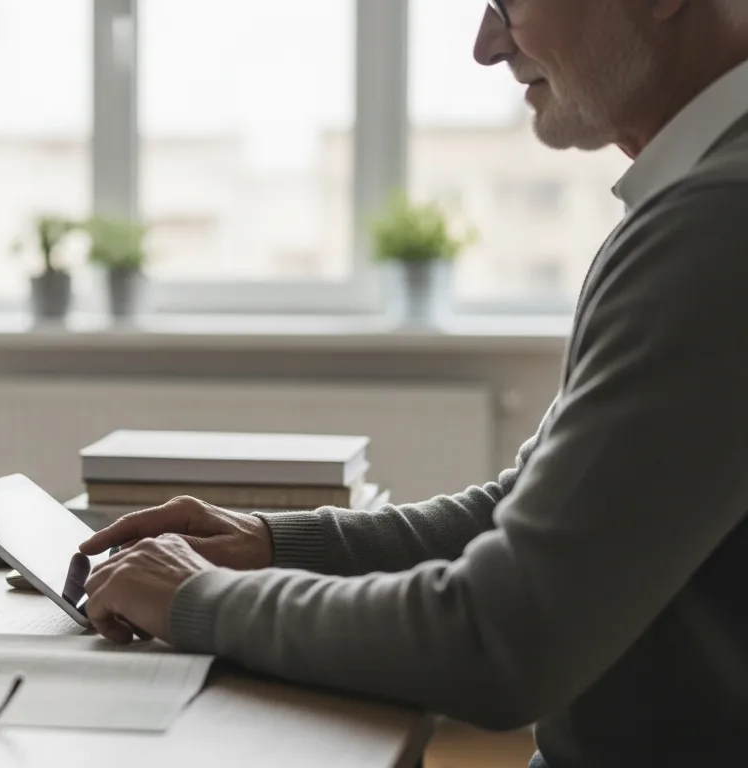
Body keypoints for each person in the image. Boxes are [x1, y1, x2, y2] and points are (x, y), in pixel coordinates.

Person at [77, 1, 748, 765]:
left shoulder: (721, 222)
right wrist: (269, 545)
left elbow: (500, 639)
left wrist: (198, 599)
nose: (486, 45)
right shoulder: (696, 202)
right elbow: (523, 511)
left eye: (512, 3)